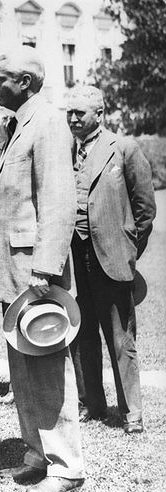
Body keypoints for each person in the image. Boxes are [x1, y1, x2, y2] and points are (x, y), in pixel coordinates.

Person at [0, 47, 85, 492]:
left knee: (46, 367)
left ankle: (66, 466)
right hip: (15, 271)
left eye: (0, 78)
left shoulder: (46, 123)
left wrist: (46, 268)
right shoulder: (18, 125)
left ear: (25, 82)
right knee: (22, 365)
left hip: (35, 273)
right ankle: (36, 453)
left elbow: (59, 201)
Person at [65, 85, 156, 433]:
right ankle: (92, 404)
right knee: (81, 332)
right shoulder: (63, 151)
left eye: (80, 113)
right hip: (74, 259)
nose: (73, 119)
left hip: (113, 259)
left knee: (120, 337)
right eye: (69, 113)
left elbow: (145, 210)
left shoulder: (124, 148)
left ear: (99, 115)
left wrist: (128, 252)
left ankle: (132, 412)